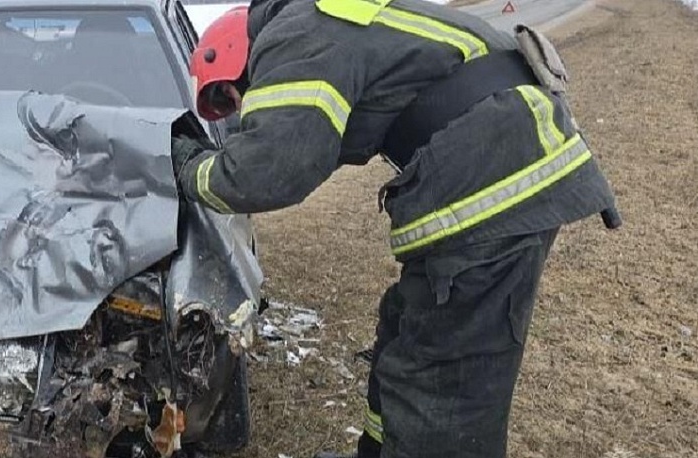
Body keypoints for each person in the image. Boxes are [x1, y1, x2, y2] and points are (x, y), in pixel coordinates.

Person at [171, 1, 620, 457]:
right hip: (503, 157)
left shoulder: (292, 37)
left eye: (230, 96)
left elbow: (266, 171)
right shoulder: (320, 19)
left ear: (233, 54)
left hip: (497, 174)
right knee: (403, 334)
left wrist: (188, 167)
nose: (240, 109)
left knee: (443, 382)